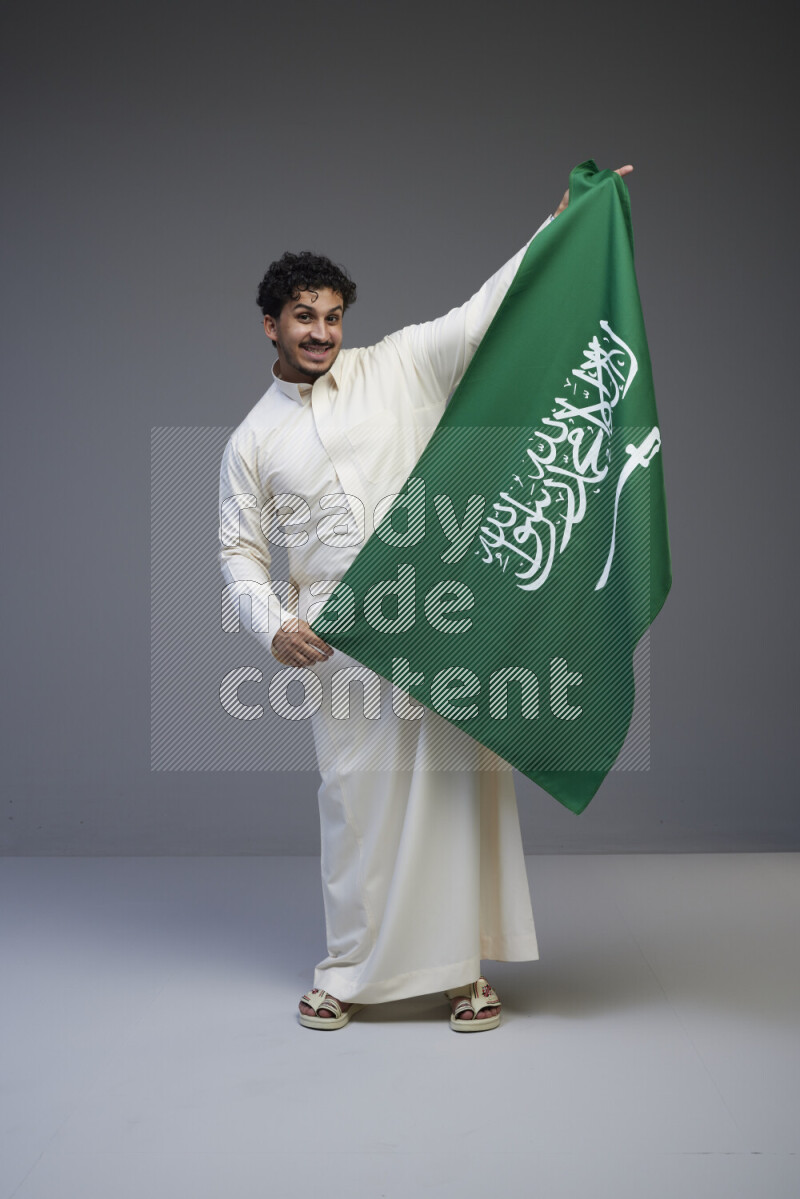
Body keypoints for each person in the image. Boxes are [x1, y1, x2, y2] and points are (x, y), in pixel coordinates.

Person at [218, 167, 634, 1031]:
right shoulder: (250, 439)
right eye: (304, 317)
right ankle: (345, 971)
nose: (322, 332)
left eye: (333, 316)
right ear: (271, 324)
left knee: (456, 796)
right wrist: (272, 627)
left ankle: (463, 975)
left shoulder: (398, 364)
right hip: (337, 636)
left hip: (437, 615)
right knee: (353, 804)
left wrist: (560, 227)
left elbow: (484, 309)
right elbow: (240, 551)